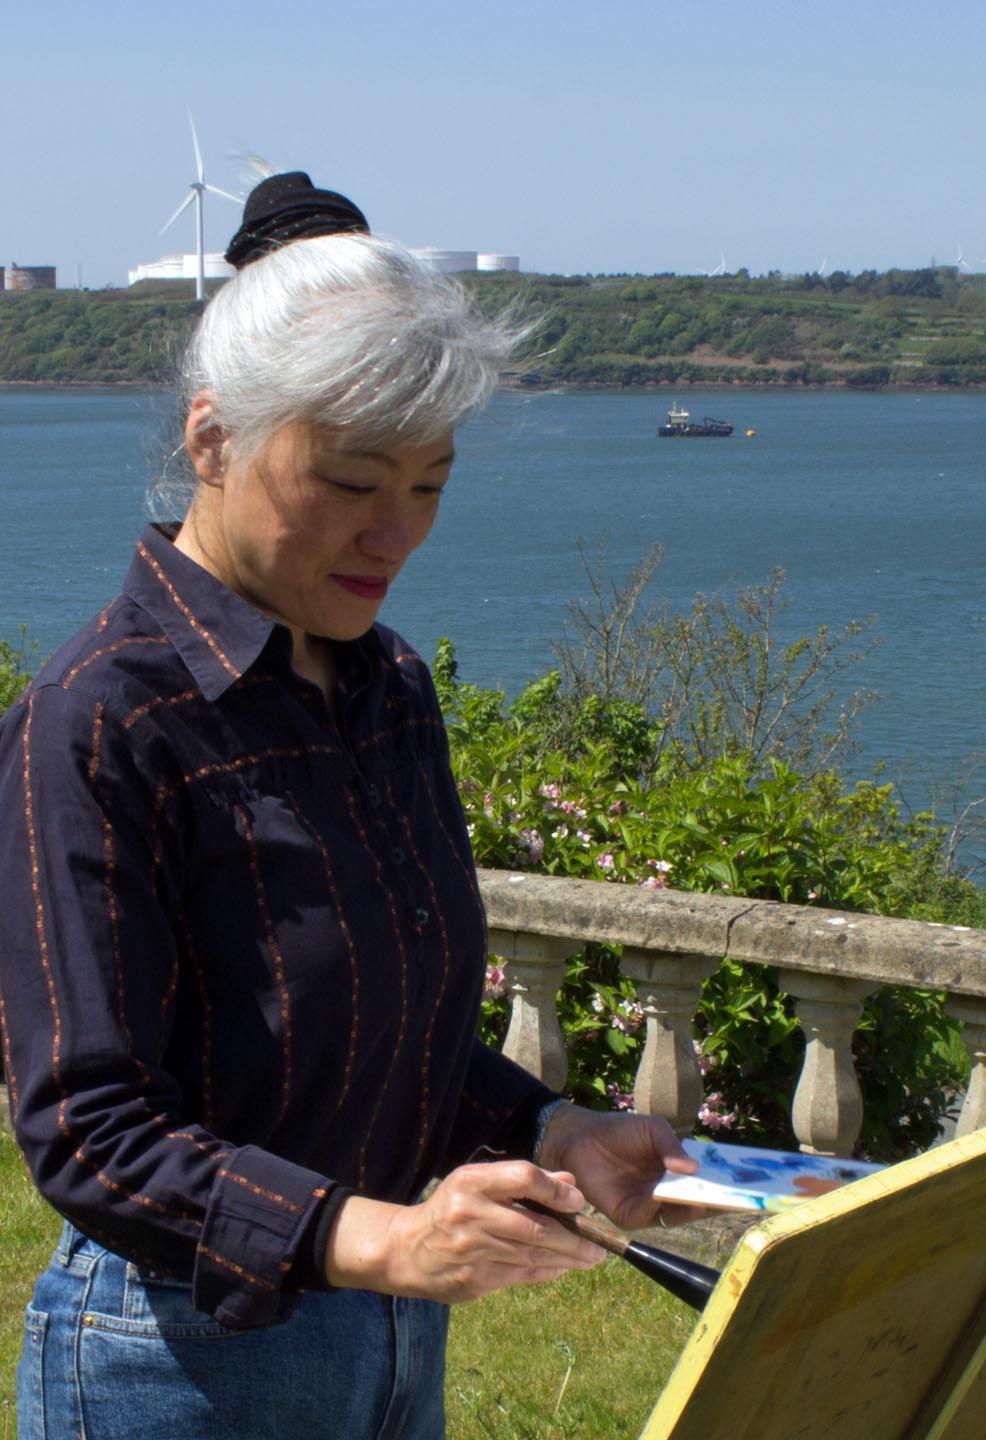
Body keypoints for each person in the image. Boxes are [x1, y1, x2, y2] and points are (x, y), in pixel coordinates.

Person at [0, 173, 697, 1439]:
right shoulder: (100, 718)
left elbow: (380, 1033)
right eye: (352, 478)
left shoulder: (389, 688)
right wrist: (372, 1237)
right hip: (176, 1356)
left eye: (429, 484)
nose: (396, 534)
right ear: (212, 440)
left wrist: (549, 1123)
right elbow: (87, 1130)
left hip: (389, 1339)